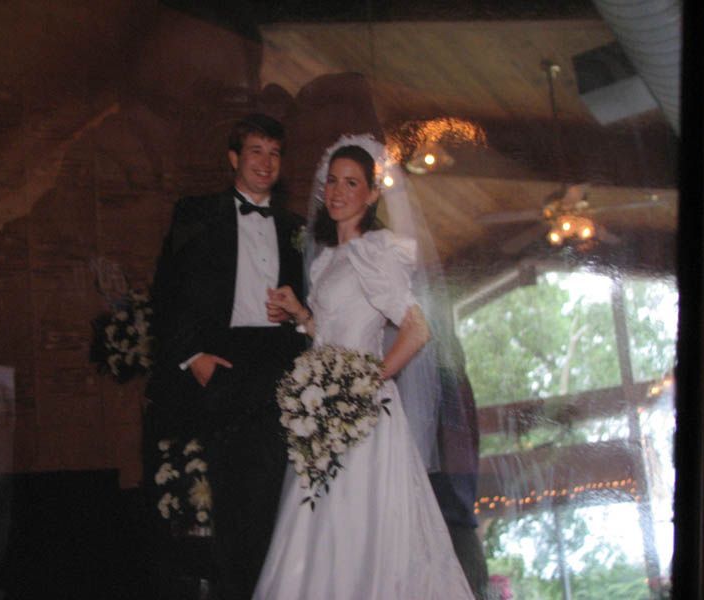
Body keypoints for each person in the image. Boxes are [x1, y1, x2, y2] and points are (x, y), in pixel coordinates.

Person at [254, 140, 474, 599]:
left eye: (351, 183)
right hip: (326, 414)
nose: (337, 192)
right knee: (322, 530)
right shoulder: (328, 259)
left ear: (372, 194)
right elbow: (332, 332)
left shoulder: (378, 251)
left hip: (366, 417)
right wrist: (301, 314)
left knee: (364, 527)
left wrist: (367, 382)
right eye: (332, 181)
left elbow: (416, 329)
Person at [145, 113, 306, 599]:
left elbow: (316, 303)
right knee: (231, 500)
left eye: (274, 153)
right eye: (256, 151)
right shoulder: (196, 214)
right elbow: (166, 292)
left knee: (279, 499)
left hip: (280, 366)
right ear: (234, 158)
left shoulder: (296, 227)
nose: (266, 162)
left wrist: (298, 318)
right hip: (223, 364)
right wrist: (193, 357)